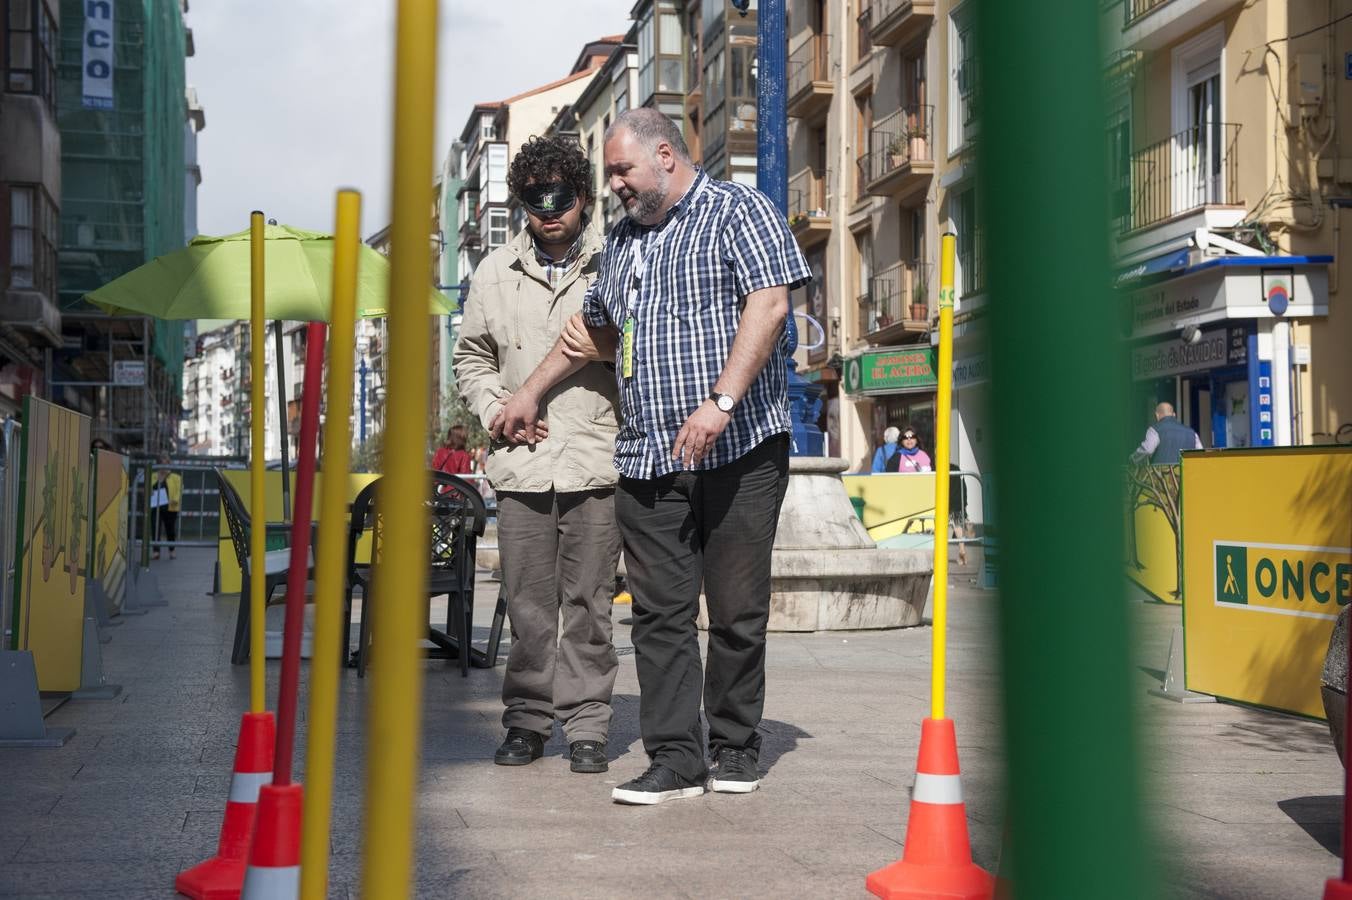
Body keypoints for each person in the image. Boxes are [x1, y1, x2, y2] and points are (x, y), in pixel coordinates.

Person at [495, 108, 812, 805]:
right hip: (646, 457)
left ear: (665, 155)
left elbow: (769, 306)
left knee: (734, 611)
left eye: (620, 171)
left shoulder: (738, 211)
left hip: (739, 447)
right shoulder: (625, 242)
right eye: (611, 174)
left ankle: (734, 746)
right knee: (659, 616)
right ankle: (674, 759)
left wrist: (721, 402)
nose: (613, 186)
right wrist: (529, 394)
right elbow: (592, 336)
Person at [451, 134, 621, 776]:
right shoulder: (495, 271)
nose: (549, 210)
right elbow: (471, 358)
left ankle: (587, 725)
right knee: (527, 604)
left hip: (596, 460)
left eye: (561, 196)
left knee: (590, 603)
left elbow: (639, 346)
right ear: (521, 200)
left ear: (583, 195)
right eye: (534, 197)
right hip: (520, 466)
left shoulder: (618, 259)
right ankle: (526, 720)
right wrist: (498, 410)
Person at [1131, 401, 1202, 464]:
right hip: (1187, 476)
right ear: (1174, 415)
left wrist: (1133, 459)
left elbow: (1147, 450)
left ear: (1157, 415)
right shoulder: (1192, 432)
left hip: (1164, 477)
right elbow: (1200, 454)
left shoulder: (1155, 429)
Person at [150, 454, 182, 560]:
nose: (164, 466)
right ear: (158, 464)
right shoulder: (152, 476)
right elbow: (148, 489)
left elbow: (179, 490)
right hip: (155, 507)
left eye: (166, 463)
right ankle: (156, 551)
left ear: (169, 464)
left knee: (170, 529)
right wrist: (159, 478)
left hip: (170, 507)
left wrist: (175, 500)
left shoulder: (176, 477)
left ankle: (172, 550)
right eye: (161, 463)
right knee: (155, 528)